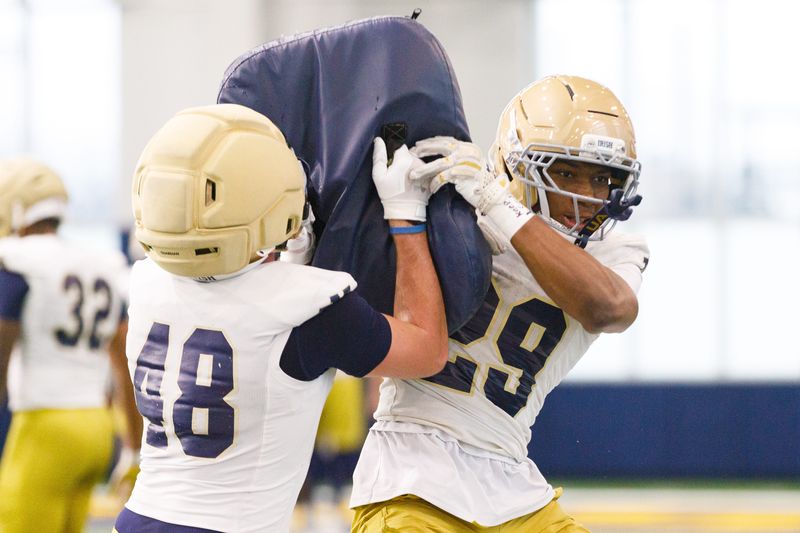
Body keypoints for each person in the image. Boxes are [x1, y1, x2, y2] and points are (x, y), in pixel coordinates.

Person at [114, 103, 448, 532]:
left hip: (135, 520)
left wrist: (288, 250)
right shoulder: (308, 306)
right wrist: (406, 217)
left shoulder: (144, 285)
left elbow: (235, 291)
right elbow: (428, 350)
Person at [350, 75, 650, 532]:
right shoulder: (455, 215)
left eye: (603, 178)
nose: (587, 195)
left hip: (512, 484)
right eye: (566, 172)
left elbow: (608, 309)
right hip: (411, 473)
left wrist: (493, 199)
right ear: (515, 165)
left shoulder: (614, 254)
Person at [0, 157, 141, 533]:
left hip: (44, 427)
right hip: (95, 428)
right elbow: (124, 358)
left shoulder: (19, 260)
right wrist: (133, 446)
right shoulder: (101, 264)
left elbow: (2, 346)